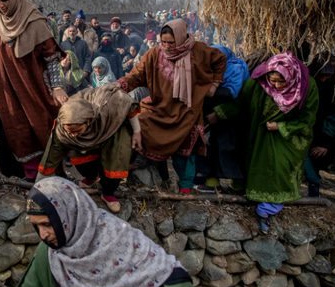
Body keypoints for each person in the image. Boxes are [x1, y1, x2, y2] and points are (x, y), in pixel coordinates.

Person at [5, 177, 197, 287]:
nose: (43, 234)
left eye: (47, 224)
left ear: (70, 215)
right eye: (36, 226)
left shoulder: (114, 236)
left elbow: (172, 279)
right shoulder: (51, 253)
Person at [207, 52, 318, 233]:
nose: (276, 86)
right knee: (258, 165)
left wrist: (281, 126)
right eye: (273, 81)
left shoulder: (306, 86)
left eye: (281, 82)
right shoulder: (258, 83)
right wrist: (218, 114)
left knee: (279, 168)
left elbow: (308, 119)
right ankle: (256, 198)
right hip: (259, 135)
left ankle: (267, 208)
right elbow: (240, 103)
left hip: (288, 137)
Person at [114, 19, 226, 193]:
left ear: (181, 38)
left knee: (184, 151)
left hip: (187, 110)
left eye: (171, 42)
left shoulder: (198, 50)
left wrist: (215, 84)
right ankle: (140, 168)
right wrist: (120, 84)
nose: (166, 46)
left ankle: (186, 187)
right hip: (159, 107)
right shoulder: (153, 54)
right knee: (138, 125)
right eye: (163, 42)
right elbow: (137, 75)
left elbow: (220, 59)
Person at [0, 0, 68, 181]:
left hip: (36, 88)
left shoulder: (34, 20)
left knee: (44, 127)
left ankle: (57, 174)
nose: (0, 5)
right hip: (8, 91)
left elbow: (51, 57)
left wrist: (57, 87)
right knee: (19, 131)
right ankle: (32, 177)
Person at [38, 86, 141, 211]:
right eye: (70, 132)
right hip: (87, 138)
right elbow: (50, 156)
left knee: (115, 158)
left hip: (112, 130)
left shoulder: (107, 109)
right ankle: (92, 176)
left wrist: (137, 132)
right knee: (78, 157)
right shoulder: (63, 131)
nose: (73, 135)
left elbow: (127, 104)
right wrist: (37, 189)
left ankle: (108, 193)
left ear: (88, 121)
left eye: (77, 131)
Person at [195, 45, 250, 193]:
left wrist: (208, 91)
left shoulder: (234, 68)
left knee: (231, 150)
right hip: (211, 116)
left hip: (232, 119)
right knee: (209, 146)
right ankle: (212, 182)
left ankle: (238, 184)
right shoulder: (209, 68)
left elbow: (231, 93)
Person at [304, 53, 335, 197]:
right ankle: (312, 180)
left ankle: (314, 182)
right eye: (322, 75)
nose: (324, 79)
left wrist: (326, 142)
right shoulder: (306, 80)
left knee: (317, 156)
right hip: (305, 124)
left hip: (325, 128)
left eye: (328, 75)